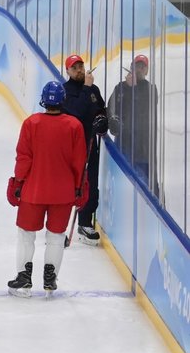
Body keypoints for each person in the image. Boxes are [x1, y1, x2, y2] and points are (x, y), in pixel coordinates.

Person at [6, 81, 87, 298]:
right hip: (63, 193)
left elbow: (24, 158)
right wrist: (80, 187)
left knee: (26, 235)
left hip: (33, 191)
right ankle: (50, 279)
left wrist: (17, 183)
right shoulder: (74, 126)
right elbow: (79, 161)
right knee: (56, 236)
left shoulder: (31, 123)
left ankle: (24, 279)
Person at [60, 54, 109, 245]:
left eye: (81, 66)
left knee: (91, 183)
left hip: (90, 144)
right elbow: (76, 112)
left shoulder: (93, 90)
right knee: (69, 185)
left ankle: (85, 221)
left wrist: (102, 121)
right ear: (68, 72)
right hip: (70, 146)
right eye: (75, 67)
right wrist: (86, 88)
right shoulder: (65, 91)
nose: (79, 70)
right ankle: (58, 225)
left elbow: (101, 110)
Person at [107, 55, 159, 187]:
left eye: (142, 67)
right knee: (123, 183)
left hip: (144, 149)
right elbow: (110, 110)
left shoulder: (151, 89)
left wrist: (132, 89)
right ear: (131, 68)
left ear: (147, 70)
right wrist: (112, 122)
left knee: (144, 186)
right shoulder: (120, 88)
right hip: (123, 145)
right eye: (136, 66)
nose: (139, 69)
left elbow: (142, 108)